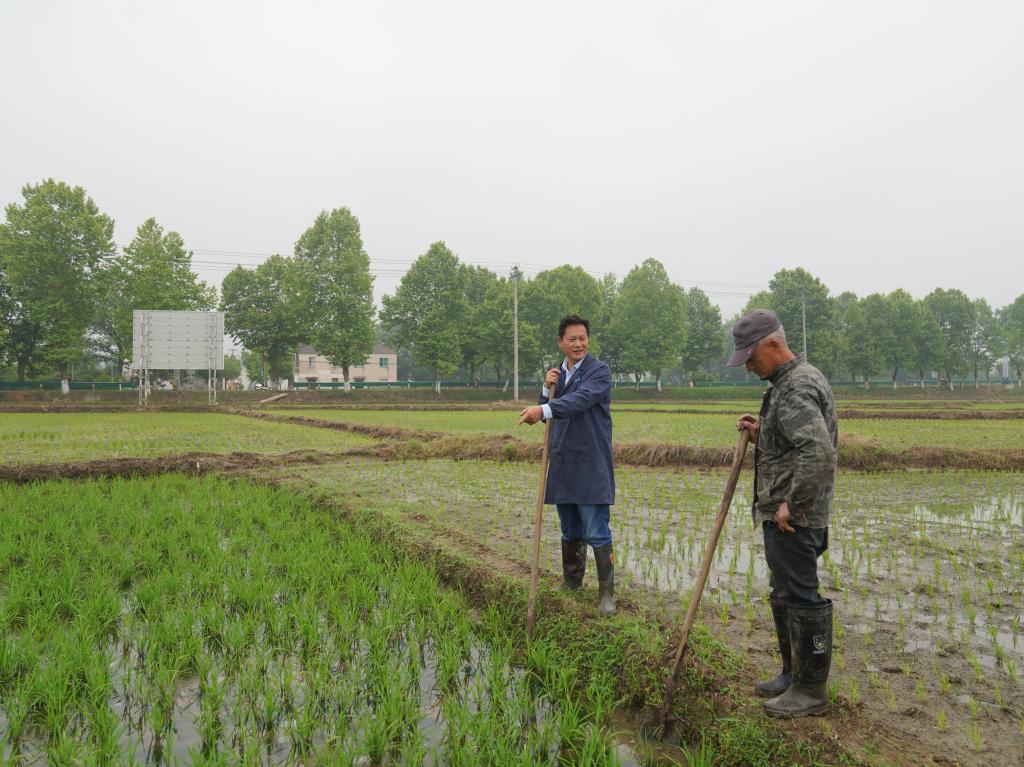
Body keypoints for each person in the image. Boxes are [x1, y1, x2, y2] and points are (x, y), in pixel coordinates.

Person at [730, 309, 838, 718]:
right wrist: (763, 433)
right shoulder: (787, 383)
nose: (749, 367)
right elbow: (796, 442)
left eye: (751, 358)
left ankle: (810, 690)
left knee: (800, 594)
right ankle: (791, 674)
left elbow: (817, 451)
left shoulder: (795, 387)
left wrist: (793, 503)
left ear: (773, 345)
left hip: (792, 516)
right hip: (784, 512)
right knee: (784, 591)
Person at [518, 314, 616, 615]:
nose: (578, 343)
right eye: (572, 339)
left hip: (590, 461)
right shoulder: (557, 374)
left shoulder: (599, 372)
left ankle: (607, 595)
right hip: (562, 460)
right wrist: (546, 391)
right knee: (569, 527)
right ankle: (572, 581)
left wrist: (544, 407)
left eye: (582, 338)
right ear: (560, 342)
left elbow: (580, 401)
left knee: (596, 529)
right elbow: (550, 404)